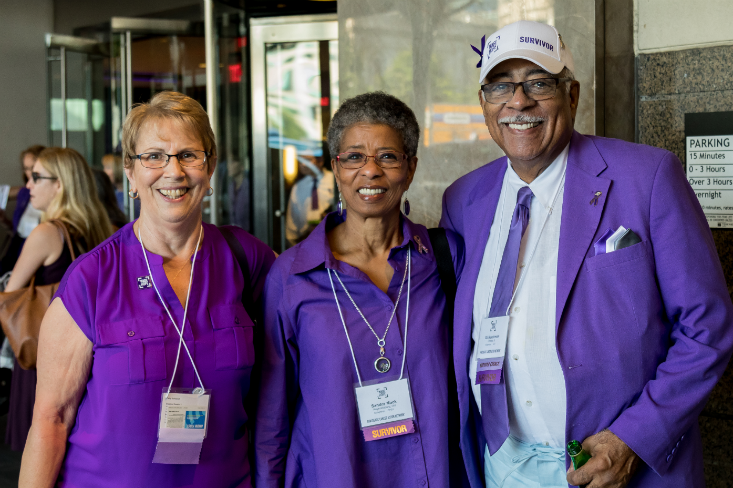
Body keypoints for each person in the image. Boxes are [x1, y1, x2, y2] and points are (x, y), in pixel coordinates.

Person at [441, 20, 733, 488]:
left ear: (572, 95)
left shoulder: (648, 176)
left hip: (612, 466)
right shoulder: (463, 201)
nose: (519, 102)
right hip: (501, 465)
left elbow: (707, 327)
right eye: (501, 86)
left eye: (538, 83)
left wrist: (633, 439)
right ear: (483, 104)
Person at [19, 91, 275, 487]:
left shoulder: (247, 258)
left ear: (210, 168)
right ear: (130, 172)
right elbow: (50, 421)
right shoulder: (91, 278)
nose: (173, 171)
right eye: (153, 156)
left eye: (189, 154)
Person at [254, 91, 467, 487]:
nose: (370, 171)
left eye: (387, 156)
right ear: (336, 168)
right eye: (354, 157)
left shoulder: (443, 258)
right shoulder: (292, 278)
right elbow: (272, 417)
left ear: (411, 167)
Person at [4, 147, 115, 452]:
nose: (28, 185)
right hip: (88, 351)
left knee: (42, 447)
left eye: (36, 177)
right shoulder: (98, 229)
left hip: (44, 351)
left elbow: (11, 295)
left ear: (60, 185)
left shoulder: (47, 232)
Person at [285, 151, 335, 246]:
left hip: (331, 241)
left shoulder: (334, 181)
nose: (303, 164)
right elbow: (292, 223)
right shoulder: (298, 187)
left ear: (320, 161)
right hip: (306, 242)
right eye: (300, 160)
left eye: (307, 160)